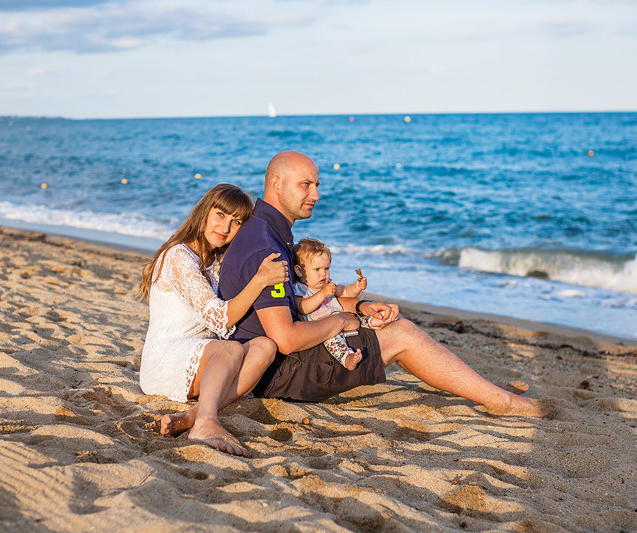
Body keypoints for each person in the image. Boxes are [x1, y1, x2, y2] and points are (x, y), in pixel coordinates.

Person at [218, 151, 555, 417]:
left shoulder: (269, 232)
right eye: (305, 185)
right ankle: (499, 400)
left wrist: (362, 307)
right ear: (276, 184)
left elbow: (300, 303)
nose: (316, 194)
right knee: (402, 335)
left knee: (392, 327)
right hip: (278, 374)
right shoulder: (266, 245)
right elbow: (287, 339)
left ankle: (486, 390)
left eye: (317, 185)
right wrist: (342, 320)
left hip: (283, 361)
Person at [136, 184, 287, 456]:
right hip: (166, 358)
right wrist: (261, 279)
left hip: (208, 357)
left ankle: (193, 417)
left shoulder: (215, 260)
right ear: (205, 212)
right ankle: (206, 421)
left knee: (265, 346)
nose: (225, 227)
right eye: (220, 215)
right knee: (233, 348)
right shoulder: (178, 256)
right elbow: (221, 318)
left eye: (236, 222)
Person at [292, 238, 384, 371]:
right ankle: (346, 358)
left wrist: (356, 287)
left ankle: (371, 322)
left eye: (326, 268)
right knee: (334, 341)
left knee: (354, 316)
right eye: (317, 269)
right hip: (321, 327)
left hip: (340, 318)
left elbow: (345, 292)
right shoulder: (299, 289)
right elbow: (302, 308)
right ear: (299, 271)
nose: (323, 273)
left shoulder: (327, 283)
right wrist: (322, 294)